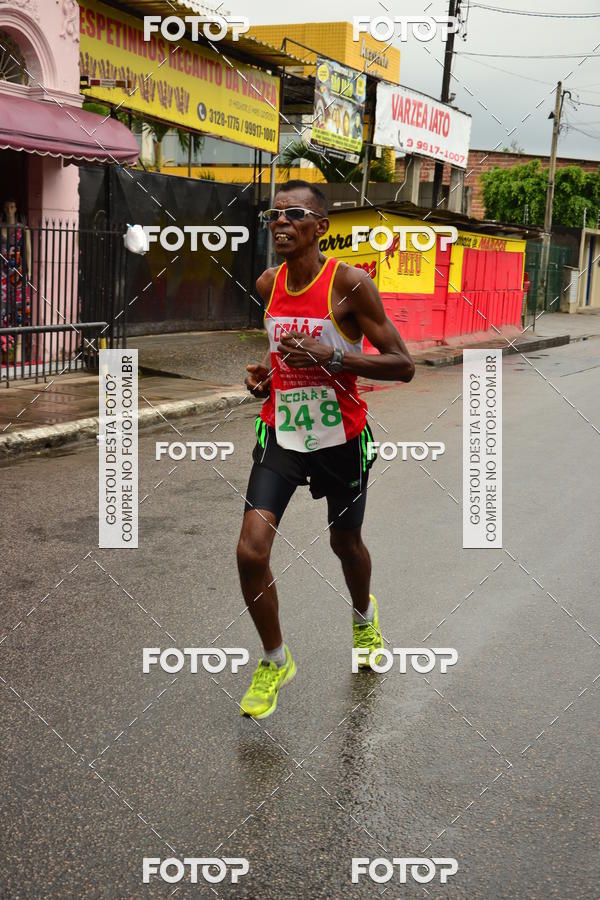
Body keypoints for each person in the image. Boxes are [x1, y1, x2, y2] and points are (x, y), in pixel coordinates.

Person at [237, 180, 415, 719]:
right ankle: (274, 659)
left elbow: (402, 364)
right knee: (250, 549)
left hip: (341, 436)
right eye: (274, 215)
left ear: (321, 227)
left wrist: (334, 359)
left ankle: (364, 620)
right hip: (283, 432)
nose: (281, 223)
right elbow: (279, 353)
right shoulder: (269, 283)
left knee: (346, 544)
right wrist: (266, 378)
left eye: (294, 214)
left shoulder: (352, 286)